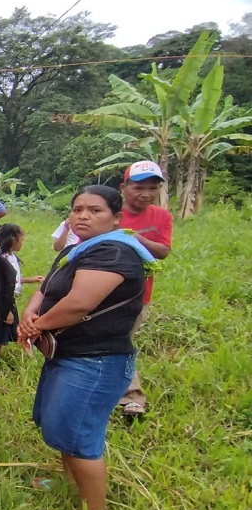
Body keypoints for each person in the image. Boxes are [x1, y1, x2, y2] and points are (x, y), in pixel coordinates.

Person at [17, 185, 152, 510]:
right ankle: (68, 483)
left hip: (96, 359)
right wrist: (31, 311)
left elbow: (78, 304)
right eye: (78, 209)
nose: (83, 216)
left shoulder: (114, 252)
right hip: (70, 354)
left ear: (116, 218)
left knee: (80, 438)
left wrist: (36, 327)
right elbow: (48, 287)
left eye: (95, 210)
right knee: (60, 426)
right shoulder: (81, 249)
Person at [116, 160, 172, 419]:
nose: (146, 194)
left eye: (152, 188)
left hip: (138, 292)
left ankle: (132, 396)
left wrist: (135, 237)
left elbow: (163, 252)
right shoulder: (108, 211)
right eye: (139, 187)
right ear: (123, 187)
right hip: (100, 289)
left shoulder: (162, 216)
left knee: (121, 341)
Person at [0, 223, 43, 368]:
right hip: (1, 300)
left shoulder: (11, 257)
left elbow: (11, 280)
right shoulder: (0, 259)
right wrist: (5, 309)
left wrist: (28, 279)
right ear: (13, 239)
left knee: (2, 329)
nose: (22, 243)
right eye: (21, 240)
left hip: (9, 298)